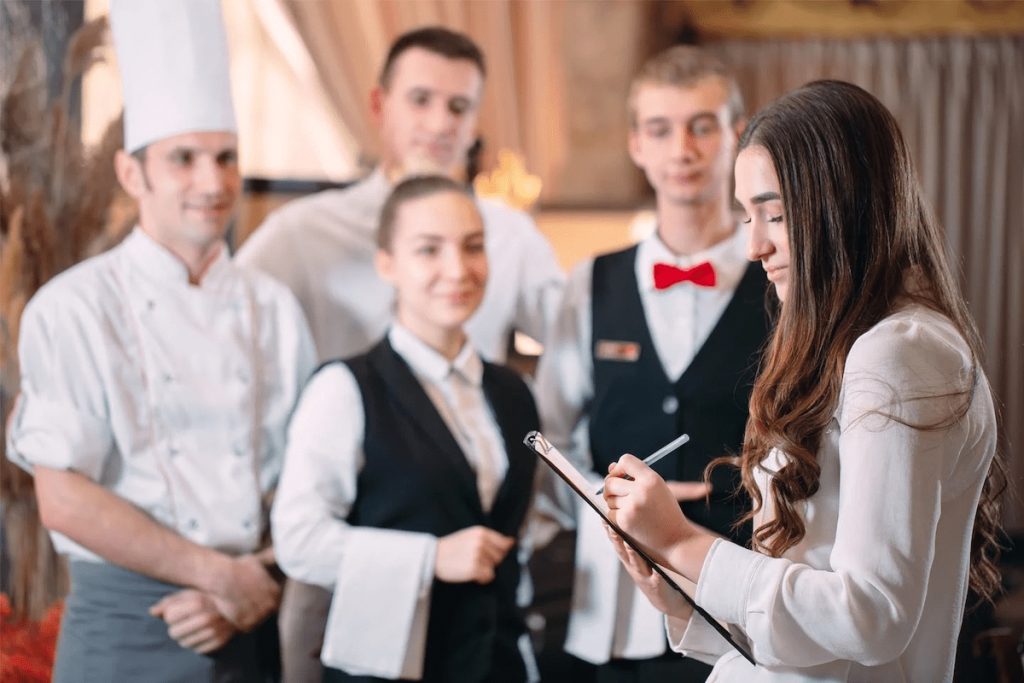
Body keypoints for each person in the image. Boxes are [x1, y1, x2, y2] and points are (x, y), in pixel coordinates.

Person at [601, 80, 1004, 682]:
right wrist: (681, 593)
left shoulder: (898, 353)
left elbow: (873, 616)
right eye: (746, 216)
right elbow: (808, 610)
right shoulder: (857, 345)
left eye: (776, 214)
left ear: (845, 205)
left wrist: (683, 541)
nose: (756, 244)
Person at [237, 27, 563, 680]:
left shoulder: (513, 240)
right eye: (421, 100)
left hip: (484, 616)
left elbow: (577, 358)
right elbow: (232, 362)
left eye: (458, 106)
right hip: (352, 587)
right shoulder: (300, 236)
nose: (440, 123)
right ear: (380, 105)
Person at [4, 1, 316, 680]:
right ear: (130, 173)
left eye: (226, 157)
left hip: (250, 623)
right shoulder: (73, 308)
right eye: (184, 159)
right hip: (126, 628)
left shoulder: (277, 309)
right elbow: (64, 495)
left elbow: (308, 483)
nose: (213, 182)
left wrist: (248, 585)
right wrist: (217, 576)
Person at [533, 46, 769, 681]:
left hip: (748, 584)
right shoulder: (591, 283)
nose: (682, 150)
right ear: (636, 144)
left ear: (737, 136)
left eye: (701, 126)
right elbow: (552, 436)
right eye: (660, 130)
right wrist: (606, 504)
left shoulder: (782, 281)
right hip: (615, 599)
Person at [272, 175, 540, 682]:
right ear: (387, 264)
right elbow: (298, 540)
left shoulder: (514, 393)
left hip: (496, 665)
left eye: (473, 247)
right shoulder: (344, 389)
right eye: (428, 250)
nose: (457, 269)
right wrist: (430, 557)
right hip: (387, 667)